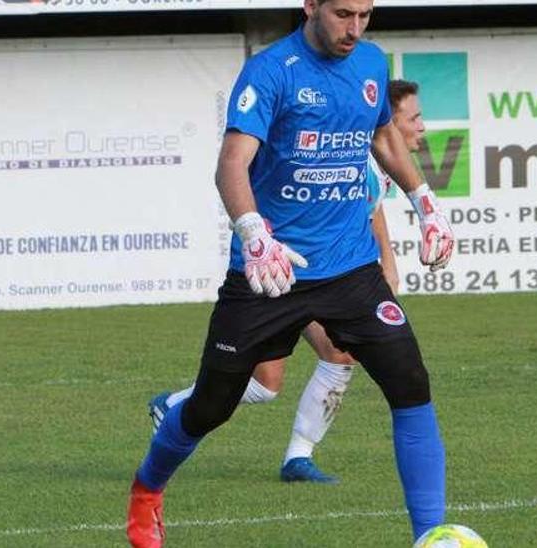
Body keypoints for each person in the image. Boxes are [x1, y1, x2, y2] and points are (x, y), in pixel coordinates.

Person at [126, 0, 455, 546]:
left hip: (351, 270)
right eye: (343, 14)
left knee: (411, 383)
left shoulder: (372, 63)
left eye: (365, 15)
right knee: (211, 405)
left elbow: (381, 136)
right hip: (272, 272)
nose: (354, 29)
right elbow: (231, 164)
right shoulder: (270, 71)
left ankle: (430, 536)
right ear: (310, 6)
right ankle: (147, 490)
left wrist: (425, 201)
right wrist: (255, 234)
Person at [146, 79, 429, 485]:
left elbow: (371, 211)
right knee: (287, 375)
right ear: (386, 119)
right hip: (287, 273)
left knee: (274, 381)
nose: (421, 126)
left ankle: (296, 458)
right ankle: (180, 408)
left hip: (331, 276)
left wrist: (387, 260)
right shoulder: (347, 155)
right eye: (414, 117)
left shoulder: (375, 165)